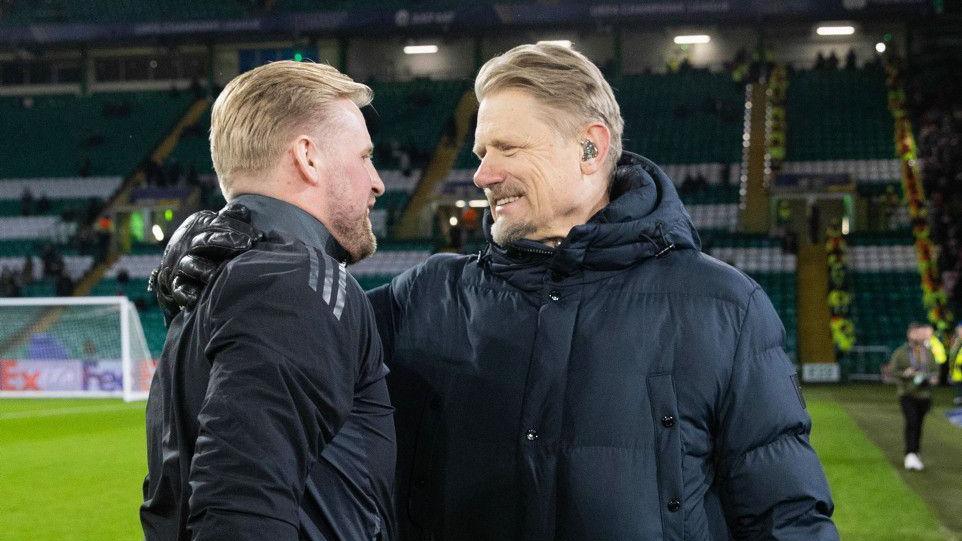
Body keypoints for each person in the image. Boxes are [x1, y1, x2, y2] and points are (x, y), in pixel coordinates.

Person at [156, 44, 837, 539]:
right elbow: (287, 347)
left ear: (591, 148)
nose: (481, 175)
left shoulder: (723, 307)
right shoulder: (427, 298)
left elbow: (788, 515)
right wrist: (219, 237)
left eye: (507, 149)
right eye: (480, 151)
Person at [140, 61, 396, 541]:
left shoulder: (214, 279)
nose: (377, 181)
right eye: (364, 157)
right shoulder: (294, 281)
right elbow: (241, 510)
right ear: (307, 157)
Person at [888, 322, 939, 471]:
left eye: (919, 332)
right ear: (909, 334)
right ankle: (910, 453)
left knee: (919, 424)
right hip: (907, 393)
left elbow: (935, 370)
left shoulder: (928, 352)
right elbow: (893, 371)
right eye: (914, 333)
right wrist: (905, 373)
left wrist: (933, 378)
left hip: (924, 394)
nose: (918, 335)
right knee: (912, 421)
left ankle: (915, 452)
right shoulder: (901, 352)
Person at [946, 323, 962, 406]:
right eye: (959, 330)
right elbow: (952, 356)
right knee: (958, 384)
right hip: (957, 369)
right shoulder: (955, 341)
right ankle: (959, 398)